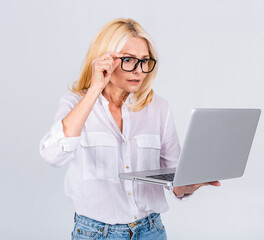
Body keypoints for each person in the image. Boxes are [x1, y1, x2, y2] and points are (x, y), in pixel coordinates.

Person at [39, 18, 220, 240]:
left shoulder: (159, 108)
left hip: (151, 230)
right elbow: (52, 155)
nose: (139, 70)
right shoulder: (76, 104)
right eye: (128, 60)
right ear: (105, 59)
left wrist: (189, 185)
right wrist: (96, 88)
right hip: (96, 233)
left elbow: (174, 179)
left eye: (144, 61)